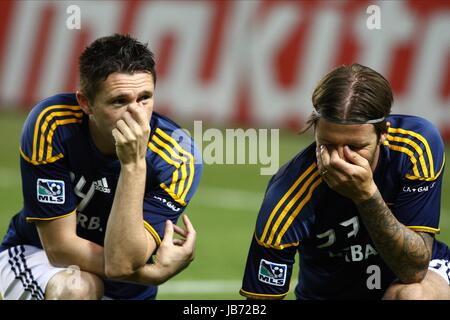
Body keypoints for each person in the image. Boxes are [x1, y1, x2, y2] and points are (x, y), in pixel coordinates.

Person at [0, 34, 202, 300]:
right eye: (119, 101)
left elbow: (125, 261)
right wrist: (150, 274)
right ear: (86, 103)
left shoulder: (178, 158)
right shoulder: (53, 124)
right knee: (78, 289)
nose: (137, 114)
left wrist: (133, 165)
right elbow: (59, 248)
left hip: (126, 288)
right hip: (39, 259)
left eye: (145, 98)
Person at [240, 63, 450, 300]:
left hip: (413, 276)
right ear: (315, 130)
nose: (339, 160)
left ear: (383, 134)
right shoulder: (287, 196)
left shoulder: (415, 147)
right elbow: (259, 301)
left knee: (412, 295)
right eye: (327, 144)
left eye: (356, 147)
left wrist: (367, 196)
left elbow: (414, 269)